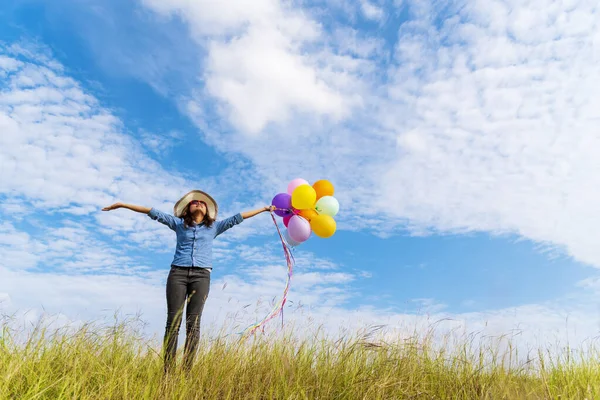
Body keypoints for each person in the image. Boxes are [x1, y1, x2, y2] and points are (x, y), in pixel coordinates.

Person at [102, 190, 275, 373]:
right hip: (178, 274)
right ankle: (168, 372)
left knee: (193, 324)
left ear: (207, 210)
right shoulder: (178, 224)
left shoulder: (214, 227)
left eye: (202, 202)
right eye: (194, 202)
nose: (198, 203)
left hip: (201, 276)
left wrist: (264, 209)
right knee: (173, 323)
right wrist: (123, 204)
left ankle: (186, 372)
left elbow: (238, 218)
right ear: (187, 209)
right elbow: (152, 212)